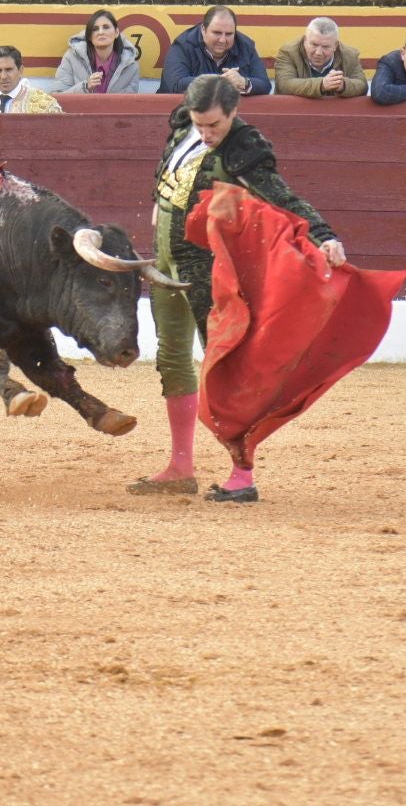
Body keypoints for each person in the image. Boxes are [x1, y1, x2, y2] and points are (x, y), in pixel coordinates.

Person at [130, 73, 344, 502]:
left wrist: (323, 235)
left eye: (215, 126)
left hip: (210, 269)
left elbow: (283, 196)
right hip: (165, 260)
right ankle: (180, 466)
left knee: (226, 369)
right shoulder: (184, 122)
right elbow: (168, 170)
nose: (206, 134)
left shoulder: (245, 145)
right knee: (172, 358)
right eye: (200, 125)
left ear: (234, 113)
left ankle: (241, 474)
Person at [158, 3, 269, 94]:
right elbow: (177, 84)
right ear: (203, 29)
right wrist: (219, 81)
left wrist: (243, 82)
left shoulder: (246, 46)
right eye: (217, 33)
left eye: (229, 34)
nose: (222, 40)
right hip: (180, 114)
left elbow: (265, 85)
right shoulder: (183, 45)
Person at [274, 17, 369, 98]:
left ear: (335, 45)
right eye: (314, 44)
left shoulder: (350, 55)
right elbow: (284, 85)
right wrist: (321, 85)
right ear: (304, 40)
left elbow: (362, 85)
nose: (318, 52)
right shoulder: (288, 52)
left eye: (325, 47)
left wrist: (343, 85)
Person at [54, 8, 143, 93]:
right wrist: (85, 87)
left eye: (106, 27)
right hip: (77, 109)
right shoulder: (71, 58)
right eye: (95, 29)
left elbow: (129, 105)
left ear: (116, 33)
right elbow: (57, 97)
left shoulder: (130, 65)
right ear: (89, 36)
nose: (101, 32)